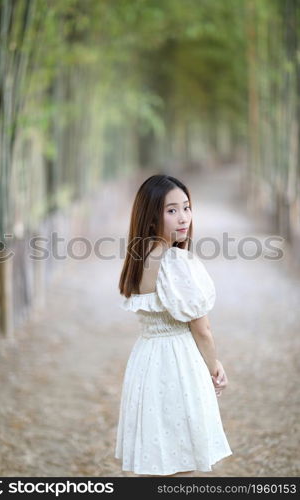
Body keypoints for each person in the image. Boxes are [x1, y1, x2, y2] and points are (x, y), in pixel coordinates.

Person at [114, 174, 233, 476]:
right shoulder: (176, 261)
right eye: (171, 210)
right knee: (182, 462)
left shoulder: (139, 258)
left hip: (146, 362)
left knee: (159, 460)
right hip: (178, 363)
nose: (183, 218)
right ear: (151, 217)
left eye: (187, 207)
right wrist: (214, 364)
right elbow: (201, 328)